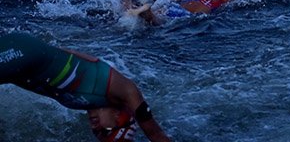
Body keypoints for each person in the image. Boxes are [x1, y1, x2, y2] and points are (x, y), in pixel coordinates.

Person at [0, 31, 172, 141]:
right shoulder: (124, 92)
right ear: (120, 115)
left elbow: (73, 54)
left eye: (98, 134)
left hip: (20, 61)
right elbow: (155, 134)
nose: (96, 128)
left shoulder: (86, 102)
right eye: (107, 130)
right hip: (26, 54)